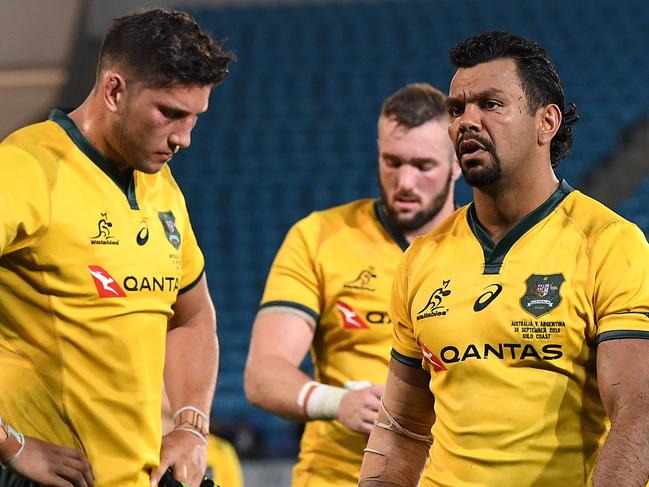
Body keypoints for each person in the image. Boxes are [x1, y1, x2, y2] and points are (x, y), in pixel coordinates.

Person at [359, 31, 649, 487]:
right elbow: (402, 429)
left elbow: (638, 410)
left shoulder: (610, 243)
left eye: (491, 105)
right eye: (457, 109)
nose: (467, 121)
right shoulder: (422, 258)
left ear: (546, 122)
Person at [0, 8, 234, 487]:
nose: (184, 138)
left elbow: (192, 315)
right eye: (170, 113)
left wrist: (190, 425)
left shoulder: (162, 188)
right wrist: (9, 444)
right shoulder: (25, 169)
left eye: (195, 117)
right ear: (113, 90)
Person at [244, 83, 461, 486]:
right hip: (336, 475)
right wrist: (336, 402)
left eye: (424, 165)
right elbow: (262, 373)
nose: (405, 182)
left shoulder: (481, 249)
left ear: (457, 164)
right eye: (392, 162)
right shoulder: (320, 236)